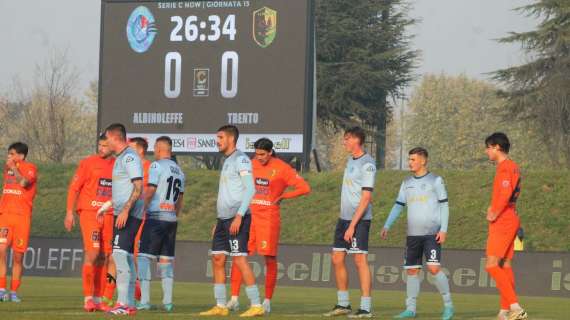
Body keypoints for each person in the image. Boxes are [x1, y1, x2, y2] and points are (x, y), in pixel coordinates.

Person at [227, 138, 310, 313]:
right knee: (239, 254)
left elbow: (304, 188)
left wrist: (283, 197)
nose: (259, 157)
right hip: (249, 217)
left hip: (269, 219)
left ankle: (267, 301)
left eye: (262, 154)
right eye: (257, 154)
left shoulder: (282, 168)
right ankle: (234, 298)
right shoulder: (250, 164)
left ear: (270, 152)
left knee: (269, 259)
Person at [381, 147, 454, 320]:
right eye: (409, 159)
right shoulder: (406, 183)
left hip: (432, 234)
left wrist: (443, 229)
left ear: (423, 160)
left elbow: (444, 205)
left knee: (434, 268)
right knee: (412, 271)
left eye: (413, 159)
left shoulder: (436, 180)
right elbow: (399, 205)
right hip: (413, 235)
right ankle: (410, 309)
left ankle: (449, 306)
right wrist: (387, 224)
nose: (410, 162)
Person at [199, 125, 263, 317]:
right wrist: (219, 221)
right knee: (218, 259)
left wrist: (239, 216)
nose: (217, 141)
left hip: (237, 219)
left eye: (220, 137)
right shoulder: (227, 160)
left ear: (231, 139)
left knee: (240, 260)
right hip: (223, 220)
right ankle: (220, 305)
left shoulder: (241, 159)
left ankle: (257, 304)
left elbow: (250, 189)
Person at [323, 127, 376, 318]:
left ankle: (366, 307)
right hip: (343, 219)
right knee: (337, 258)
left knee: (359, 260)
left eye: (346, 139)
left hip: (359, 220)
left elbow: (366, 198)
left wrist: (353, 225)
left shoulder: (368, 163)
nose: (344, 142)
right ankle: (343, 304)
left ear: (356, 140)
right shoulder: (350, 160)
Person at [65, 134, 115, 312]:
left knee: (106, 257)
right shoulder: (88, 163)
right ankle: (88, 298)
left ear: (113, 146)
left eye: (104, 145)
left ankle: (99, 298)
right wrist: (69, 212)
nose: (101, 148)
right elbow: (74, 187)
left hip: (109, 215)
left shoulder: (118, 165)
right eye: (99, 145)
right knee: (93, 254)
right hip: (89, 213)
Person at [137, 136, 184, 312]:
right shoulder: (179, 171)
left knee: (143, 257)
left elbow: (150, 190)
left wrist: (142, 208)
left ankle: (145, 301)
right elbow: (180, 199)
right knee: (165, 260)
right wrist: (174, 215)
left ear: (158, 148)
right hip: (171, 219)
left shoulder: (156, 166)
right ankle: (168, 302)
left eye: (155, 148)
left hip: (156, 217)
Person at [101, 123, 144, 315]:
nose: (105, 143)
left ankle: (122, 304)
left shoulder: (129, 156)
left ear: (114, 138)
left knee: (119, 255)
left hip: (128, 214)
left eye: (106, 139)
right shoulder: (121, 158)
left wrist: (126, 210)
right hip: (123, 212)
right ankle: (131, 304)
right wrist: (107, 206)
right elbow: (124, 189)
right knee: (125, 255)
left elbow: (138, 186)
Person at [483, 132, 527, 320]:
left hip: (503, 218)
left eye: (488, 147)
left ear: (497, 147)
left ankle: (516, 307)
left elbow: (505, 192)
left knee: (491, 265)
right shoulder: (513, 167)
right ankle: (504, 311)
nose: (486, 151)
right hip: (511, 217)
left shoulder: (505, 167)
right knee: (505, 264)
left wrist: (495, 211)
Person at [0, 142, 37, 303]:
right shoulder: (7, 168)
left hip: (22, 218)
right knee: (1, 250)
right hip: (5, 216)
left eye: (12, 154)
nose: (9, 157)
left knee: (17, 257)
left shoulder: (30, 168)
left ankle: (13, 291)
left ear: (21, 156)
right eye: (8, 154)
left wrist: (14, 168)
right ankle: (1, 289)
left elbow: (23, 183)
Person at [128, 136, 151, 303]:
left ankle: (141, 294)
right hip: (127, 215)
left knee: (138, 255)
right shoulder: (129, 166)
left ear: (141, 150)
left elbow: (148, 192)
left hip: (142, 217)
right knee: (122, 255)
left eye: (132, 148)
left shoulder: (149, 168)